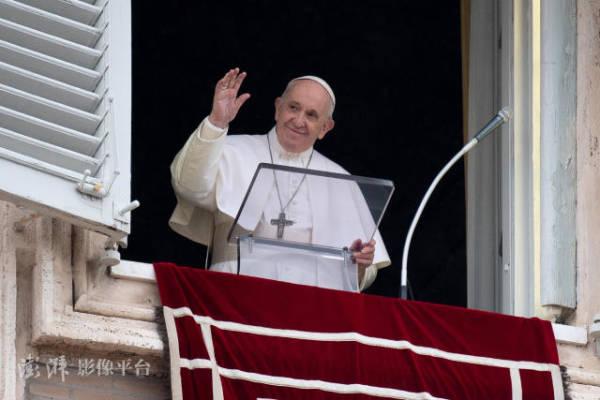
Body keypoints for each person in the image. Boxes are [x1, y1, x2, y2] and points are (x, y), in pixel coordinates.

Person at [169, 68, 390, 290]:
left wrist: (359, 265)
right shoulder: (231, 150)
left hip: (309, 308)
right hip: (232, 294)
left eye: (311, 115)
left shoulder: (341, 181)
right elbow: (189, 187)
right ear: (278, 108)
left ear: (325, 127)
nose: (299, 120)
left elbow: (364, 274)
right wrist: (216, 122)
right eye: (293, 107)